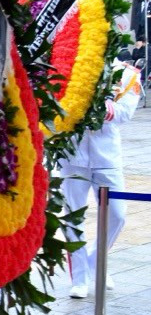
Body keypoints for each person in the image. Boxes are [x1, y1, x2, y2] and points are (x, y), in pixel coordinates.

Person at [61, 61, 142, 298]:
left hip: (106, 154)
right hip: (73, 153)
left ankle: (96, 264)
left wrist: (109, 109)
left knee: (117, 215)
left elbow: (127, 111)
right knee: (72, 215)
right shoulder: (70, 63)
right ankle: (79, 277)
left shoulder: (126, 73)